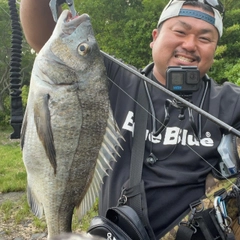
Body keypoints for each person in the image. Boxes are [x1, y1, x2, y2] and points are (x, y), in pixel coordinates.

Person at [20, 0, 240, 239]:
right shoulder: (110, 79)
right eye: (180, 31)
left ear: (215, 50)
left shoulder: (230, 101)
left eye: (205, 39)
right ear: (155, 37)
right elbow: (44, 40)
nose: (189, 44)